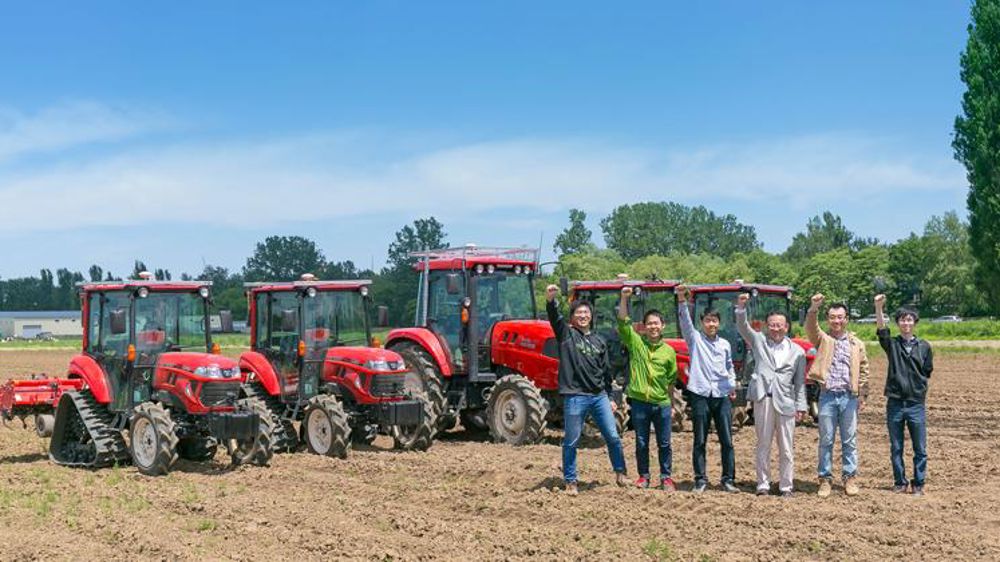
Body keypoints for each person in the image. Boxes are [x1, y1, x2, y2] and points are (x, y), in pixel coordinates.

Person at [546, 284, 627, 496]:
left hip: (599, 396)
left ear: (591, 316)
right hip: (575, 396)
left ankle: (621, 473)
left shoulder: (599, 341)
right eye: (578, 313)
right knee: (572, 440)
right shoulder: (567, 335)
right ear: (572, 317)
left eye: (586, 312)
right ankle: (571, 481)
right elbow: (555, 318)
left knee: (613, 436)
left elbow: (606, 372)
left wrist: (611, 397)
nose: (583, 316)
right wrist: (551, 300)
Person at [734, 293, 807, 497]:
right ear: (767, 326)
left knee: (786, 447)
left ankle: (786, 486)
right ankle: (763, 484)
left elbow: (800, 383)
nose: (776, 329)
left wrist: (801, 405)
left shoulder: (798, 352)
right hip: (763, 400)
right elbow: (742, 327)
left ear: (787, 327)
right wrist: (741, 307)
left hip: (786, 402)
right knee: (763, 444)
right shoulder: (759, 341)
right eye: (772, 325)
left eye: (779, 325)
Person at [676, 285, 738, 493]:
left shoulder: (725, 344)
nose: (711, 324)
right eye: (708, 320)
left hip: (721, 395)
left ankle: (728, 479)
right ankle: (700, 480)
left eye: (715, 321)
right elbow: (685, 322)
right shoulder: (695, 340)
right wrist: (682, 300)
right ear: (702, 323)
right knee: (700, 440)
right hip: (700, 394)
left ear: (719, 323)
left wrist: (731, 384)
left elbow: (729, 366)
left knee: (727, 440)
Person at [806, 294, 869, 498]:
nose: (836, 321)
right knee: (826, 440)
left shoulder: (856, 344)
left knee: (849, 440)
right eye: (833, 317)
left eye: (840, 317)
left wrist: (862, 395)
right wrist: (814, 307)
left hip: (849, 397)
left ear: (846, 319)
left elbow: (864, 370)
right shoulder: (823, 340)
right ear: (828, 319)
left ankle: (850, 478)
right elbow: (811, 328)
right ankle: (825, 480)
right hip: (827, 397)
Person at [617, 286, 678, 491]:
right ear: (644, 327)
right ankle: (643, 476)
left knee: (665, 443)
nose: (653, 327)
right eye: (649, 323)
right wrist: (624, 298)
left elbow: (671, 380)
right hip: (640, 402)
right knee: (641, 442)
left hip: (662, 403)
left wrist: (671, 404)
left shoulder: (669, 351)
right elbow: (623, 323)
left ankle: (666, 477)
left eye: (656, 323)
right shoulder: (636, 344)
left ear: (663, 326)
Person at [874, 294, 933, 496]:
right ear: (898, 323)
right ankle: (900, 482)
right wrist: (879, 307)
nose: (906, 323)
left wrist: (918, 387)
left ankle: (919, 483)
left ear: (914, 322)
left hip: (916, 403)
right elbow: (882, 330)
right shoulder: (892, 345)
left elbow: (927, 370)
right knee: (896, 446)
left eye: (909, 320)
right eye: (902, 320)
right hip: (895, 403)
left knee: (920, 448)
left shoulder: (924, 346)